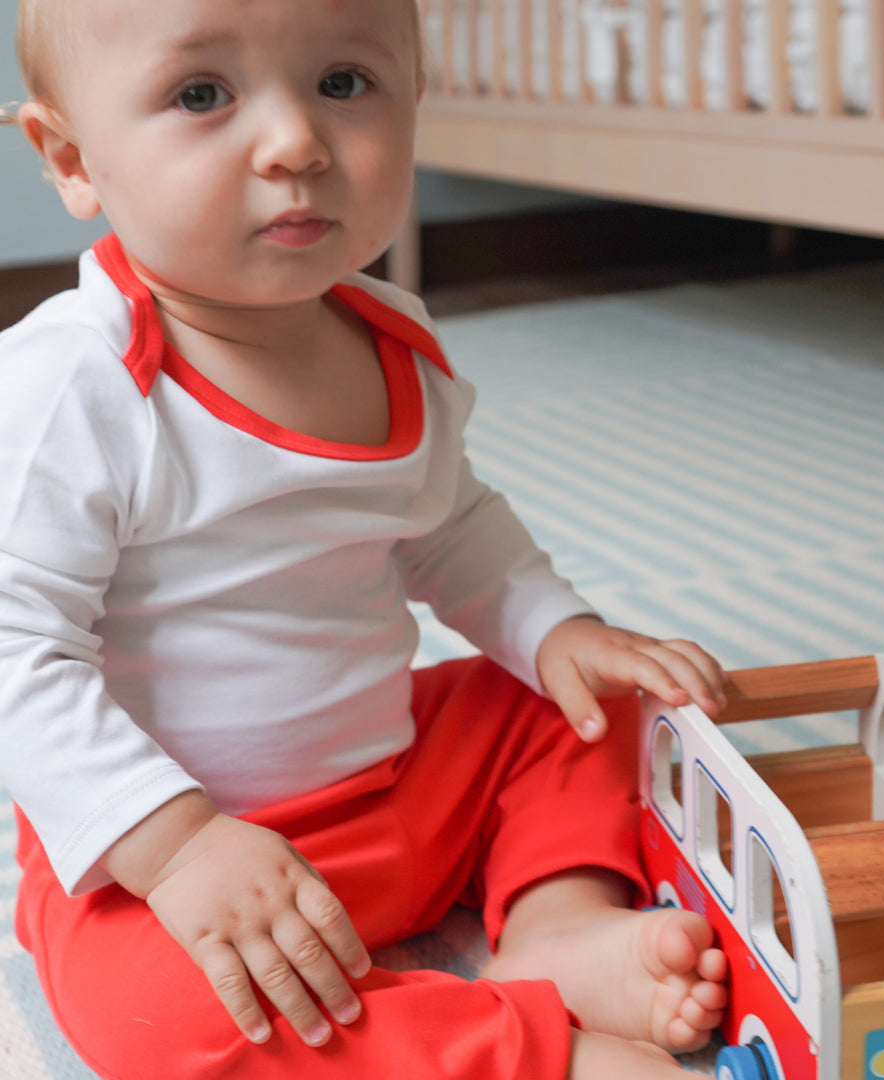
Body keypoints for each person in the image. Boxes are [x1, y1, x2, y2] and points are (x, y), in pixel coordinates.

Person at [0, 0, 730, 1077]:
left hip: (398, 788)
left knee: (593, 698)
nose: (296, 143)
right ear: (72, 159)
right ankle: (522, 1051)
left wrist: (554, 628)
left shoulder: (394, 339)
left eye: (344, 83)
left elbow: (449, 527)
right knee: (155, 1019)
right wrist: (177, 845)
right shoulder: (74, 385)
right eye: (202, 94)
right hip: (187, 866)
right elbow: (15, 651)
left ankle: (555, 925)